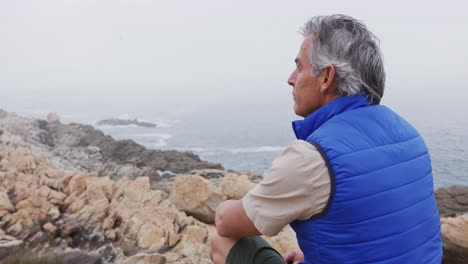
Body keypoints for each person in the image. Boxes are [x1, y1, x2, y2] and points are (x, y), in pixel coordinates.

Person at [211, 14, 443, 264]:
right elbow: (394, 228)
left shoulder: (313, 157)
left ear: (326, 78)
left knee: (222, 242)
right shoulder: (410, 136)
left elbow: (226, 223)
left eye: (299, 67)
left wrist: (223, 205)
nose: (291, 78)